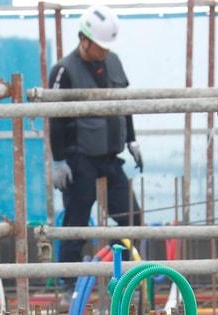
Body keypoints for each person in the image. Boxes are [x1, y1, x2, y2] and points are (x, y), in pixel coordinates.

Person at [48, 6, 143, 270]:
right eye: (100, 46)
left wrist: (131, 140)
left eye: (107, 47)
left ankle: (124, 272)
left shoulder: (113, 61)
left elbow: (124, 103)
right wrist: (59, 161)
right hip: (79, 158)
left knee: (131, 217)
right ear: (84, 40)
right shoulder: (63, 71)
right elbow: (54, 118)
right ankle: (70, 283)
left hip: (110, 156)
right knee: (76, 221)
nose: (104, 52)